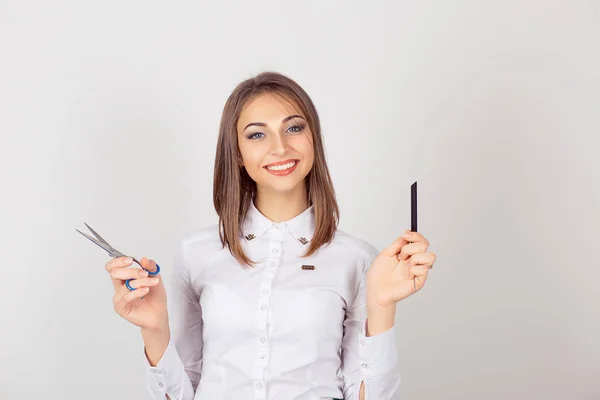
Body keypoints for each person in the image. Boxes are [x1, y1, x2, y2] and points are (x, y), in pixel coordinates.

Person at [104, 72, 436, 400]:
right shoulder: (196, 252)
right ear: (237, 152)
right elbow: (181, 393)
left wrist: (381, 307)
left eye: (294, 128)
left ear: (313, 139)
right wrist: (154, 330)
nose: (280, 147)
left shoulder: (358, 258)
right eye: (256, 135)